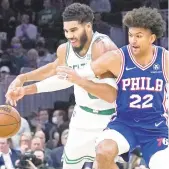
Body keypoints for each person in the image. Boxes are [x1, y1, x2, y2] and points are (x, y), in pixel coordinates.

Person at [5, 3, 118, 169]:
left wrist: (77, 79)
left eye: (74, 30)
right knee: (69, 166)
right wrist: (23, 80)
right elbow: (55, 69)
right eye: (66, 31)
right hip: (83, 116)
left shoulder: (102, 47)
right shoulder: (65, 49)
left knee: (103, 162)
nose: (69, 35)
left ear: (88, 26)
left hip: (110, 118)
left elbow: (111, 94)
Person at [56, 7, 169, 169]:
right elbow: (83, 72)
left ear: (152, 38)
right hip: (125, 124)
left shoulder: (164, 59)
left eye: (138, 36)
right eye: (130, 35)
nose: (133, 41)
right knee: (103, 152)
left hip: (155, 127)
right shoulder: (117, 58)